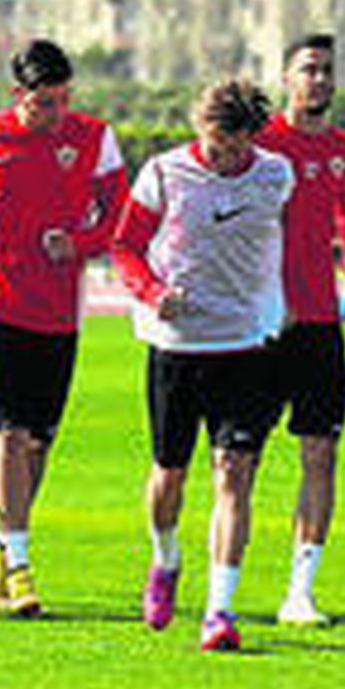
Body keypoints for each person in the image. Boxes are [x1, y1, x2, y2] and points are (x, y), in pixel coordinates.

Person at [0, 39, 130, 617]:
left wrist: (81, 244)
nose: (57, 113)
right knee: (11, 433)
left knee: (40, 441)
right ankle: (19, 565)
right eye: (45, 102)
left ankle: (1, 546)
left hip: (59, 310)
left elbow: (120, 214)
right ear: (18, 95)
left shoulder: (94, 138)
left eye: (65, 100)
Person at [112, 78, 293, 651]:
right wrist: (150, 290)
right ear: (201, 130)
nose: (227, 158)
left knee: (234, 473)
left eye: (238, 148)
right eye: (218, 147)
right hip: (176, 343)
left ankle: (220, 609)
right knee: (170, 475)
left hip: (244, 344)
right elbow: (125, 246)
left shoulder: (275, 176)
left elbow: (302, 240)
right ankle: (165, 561)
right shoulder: (164, 173)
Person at [251, 33, 345, 627]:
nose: (320, 80)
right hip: (260, 325)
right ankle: (224, 579)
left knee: (321, 454)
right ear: (286, 77)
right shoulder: (257, 145)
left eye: (328, 70)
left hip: (321, 324)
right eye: (309, 69)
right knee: (238, 458)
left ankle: (300, 590)